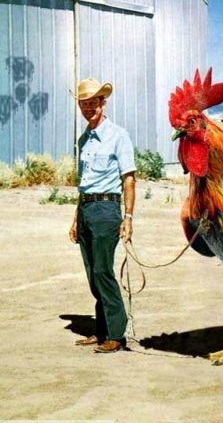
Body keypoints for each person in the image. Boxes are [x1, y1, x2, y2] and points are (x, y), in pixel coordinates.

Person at [69, 77, 136, 353]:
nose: (88, 108)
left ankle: (116, 335)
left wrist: (128, 218)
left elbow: (129, 179)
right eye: (83, 104)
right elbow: (84, 184)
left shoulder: (118, 135)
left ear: (103, 103)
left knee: (103, 271)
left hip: (107, 210)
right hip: (86, 208)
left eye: (93, 103)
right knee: (92, 272)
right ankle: (101, 330)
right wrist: (76, 219)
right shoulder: (83, 139)